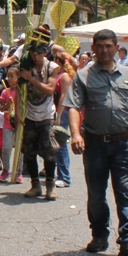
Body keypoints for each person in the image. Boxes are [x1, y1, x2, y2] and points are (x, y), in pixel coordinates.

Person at [64, 29, 128, 256]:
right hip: (94, 144)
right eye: (100, 46)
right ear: (94, 47)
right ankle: (99, 235)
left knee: (125, 192)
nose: (104, 50)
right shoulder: (84, 75)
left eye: (108, 46)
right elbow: (72, 107)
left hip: (123, 144)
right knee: (97, 194)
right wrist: (75, 134)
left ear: (115, 47)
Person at [18, 42, 60, 200]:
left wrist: (30, 79)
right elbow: (18, 90)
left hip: (46, 115)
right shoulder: (26, 64)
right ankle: (35, 185)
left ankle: (50, 184)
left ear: (45, 52)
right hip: (29, 114)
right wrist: (18, 113)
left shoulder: (52, 67)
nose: (36, 57)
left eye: (39, 53)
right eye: (33, 53)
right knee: (29, 151)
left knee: (48, 151)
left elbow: (49, 91)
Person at [53, 52, 74, 188]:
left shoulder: (65, 76)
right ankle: (60, 173)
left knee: (61, 143)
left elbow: (64, 96)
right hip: (57, 111)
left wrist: (59, 115)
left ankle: (65, 176)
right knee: (56, 144)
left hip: (63, 111)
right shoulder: (58, 75)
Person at [0, 67, 21, 182]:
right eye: (8, 76)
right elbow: (1, 107)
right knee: (6, 147)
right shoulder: (5, 92)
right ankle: (6, 169)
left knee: (19, 148)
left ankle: (18, 171)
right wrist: (8, 104)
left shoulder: (22, 90)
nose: (10, 79)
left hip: (19, 123)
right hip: (7, 123)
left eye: (12, 76)